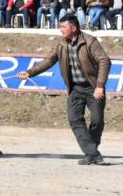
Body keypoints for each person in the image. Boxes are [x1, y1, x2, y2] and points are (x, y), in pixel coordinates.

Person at [18, 14, 111, 165]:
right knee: (74, 119)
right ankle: (92, 154)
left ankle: (91, 153)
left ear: (73, 28)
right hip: (74, 88)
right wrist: (30, 72)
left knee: (97, 122)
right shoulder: (60, 43)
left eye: (63, 27)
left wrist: (100, 85)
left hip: (93, 87)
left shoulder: (89, 41)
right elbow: (48, 61)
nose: (60, 30)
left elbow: (104, 61)